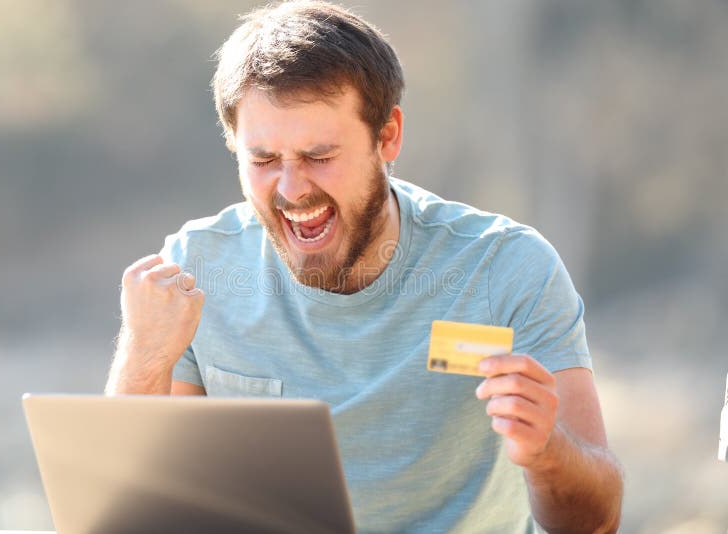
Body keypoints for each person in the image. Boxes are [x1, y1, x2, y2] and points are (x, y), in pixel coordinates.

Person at [105, 1, 623, 532]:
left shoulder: (506, 267)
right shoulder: (196, 269)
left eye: (319, 156)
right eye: (263, 161)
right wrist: (145, 358)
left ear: (388, 135)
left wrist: (546, 452)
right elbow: (129, 515)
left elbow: (596, 521)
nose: (291, 188)